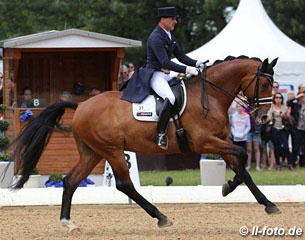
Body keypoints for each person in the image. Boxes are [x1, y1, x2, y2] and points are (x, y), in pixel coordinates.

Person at [146, 6, 205, 149]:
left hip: (166, 74)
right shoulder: (155, 37)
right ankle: (160, 134)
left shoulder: (169, 35)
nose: (175, 22)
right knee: (171, 97)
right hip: (154, 75)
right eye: (172, 19)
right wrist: (187, 69)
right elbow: (165, 62)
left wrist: (196, 63)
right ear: (163, 20)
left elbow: (181, 56)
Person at [267, 93, 290, 171]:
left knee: (286, 147)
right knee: (276, 147)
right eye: (276, 97)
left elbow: (288, 118)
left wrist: (284, 116)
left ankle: (287, 162)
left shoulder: (284, 107)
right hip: (274, 128)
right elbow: (268, 118)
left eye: (280, 97)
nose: (278, 99)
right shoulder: (271, 107)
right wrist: (272, 114)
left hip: (283, 128)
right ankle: (278, 164)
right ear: (274, 99)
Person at [287, 84, 305, 168]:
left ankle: (302, 163)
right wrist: (297, 97)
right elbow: (288, 102)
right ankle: (293, 163)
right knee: (296, 146)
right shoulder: (296, 104)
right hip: (298, 128)